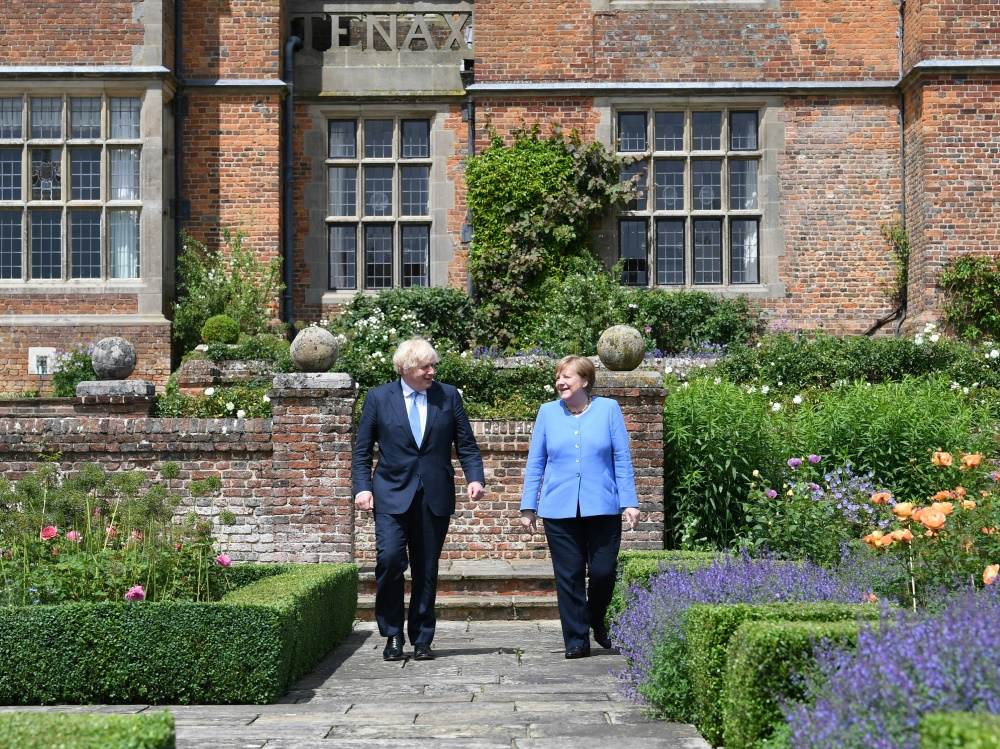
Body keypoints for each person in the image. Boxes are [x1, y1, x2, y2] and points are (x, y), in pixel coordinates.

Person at [353, 338, 486, 662]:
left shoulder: (448, 396)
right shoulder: (378, 398)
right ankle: (392, 634)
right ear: (407, 369)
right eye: (426, 366)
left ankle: (423, 639)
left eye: (432, 365)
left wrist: (475, 477)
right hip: (390, 495)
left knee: (427, 569)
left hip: (434, 495)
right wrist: (362, 488)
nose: (432, 371)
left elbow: (466, 444)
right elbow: (361, 452)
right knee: (389, 561)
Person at [520, 355, 640, 659]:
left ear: (584, 381)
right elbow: (536, 462)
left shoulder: (608, 409)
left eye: (567, 377)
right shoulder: (547, 413)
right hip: (558, 509)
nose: (560, 382)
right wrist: (528, 506)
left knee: (603, 572)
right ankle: (576, 639)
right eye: (558, 377)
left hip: (602, 505)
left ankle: (595, 617)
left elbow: (622, 458)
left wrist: (629, 501)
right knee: (569, 574)